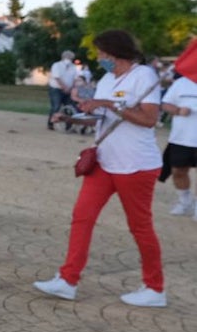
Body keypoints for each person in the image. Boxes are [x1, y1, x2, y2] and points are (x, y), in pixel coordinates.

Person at [34, 29, 166, 307]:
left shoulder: (143, 76)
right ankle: (68, 280)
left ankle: (155, 288)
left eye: (102, 53)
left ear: (116, 52)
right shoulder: (107, 79)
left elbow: (148, 119)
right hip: (104, 161)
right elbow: (102, 119)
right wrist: (73, 118)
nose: (98, 58)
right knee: (82, 216)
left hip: (136, 165)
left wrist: (107, 103)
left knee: (140, 226)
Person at [160, 68, 197, 217]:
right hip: (181, 138)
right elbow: (165, 104)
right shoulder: (181, 83)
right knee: (178, 171)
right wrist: (178, 110)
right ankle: (185, 201)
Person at [48, 50, 77, 130]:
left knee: (69, 107)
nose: (70, 60)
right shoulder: (56, 65)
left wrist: (71, 88)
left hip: (69, 90)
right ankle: (51, 123)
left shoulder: (73, 67)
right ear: (63, 57)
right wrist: (64, 87)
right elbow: (57, 78)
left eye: (71, 58)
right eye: (69, 58)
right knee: (56, 106)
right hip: (56, 89)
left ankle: (69, 125)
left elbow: (75, 78)